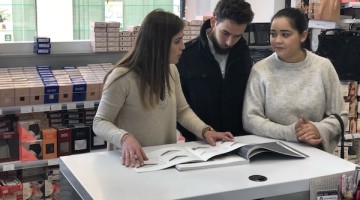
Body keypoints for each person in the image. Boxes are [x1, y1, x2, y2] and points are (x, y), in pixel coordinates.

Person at [93, 9, 234, 168]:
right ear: (158, 43)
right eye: (177, 41)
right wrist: (124, 137)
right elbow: (100, 122)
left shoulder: (171, 70)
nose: (183, 47)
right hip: (131, 164)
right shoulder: (122, 77)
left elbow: (182, 111)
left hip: (164, 161)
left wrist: (205, 131)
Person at [242, 7, 347, 154]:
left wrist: (318, 129)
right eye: (273, 34)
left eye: (285, 34)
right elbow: (250, 119)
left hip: (315, 154)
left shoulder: (323, 67)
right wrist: (289, 132)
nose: (277, 40)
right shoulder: (260, 70)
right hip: (270, 153)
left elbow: (340, 116)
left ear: (303, 36)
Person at [176, 0, 254, 141]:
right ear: (213, 22)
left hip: (238, 140)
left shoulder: (244, 52)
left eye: (237, 36)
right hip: (199, 142)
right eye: (225, 33)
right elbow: (178, 106)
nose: (230, 42)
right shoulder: (186, 55)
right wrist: (194, 134)